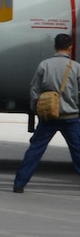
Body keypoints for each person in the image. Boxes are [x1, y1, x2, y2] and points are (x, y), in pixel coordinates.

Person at [13, 34, 80, 193]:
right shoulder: (76, 67)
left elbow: (34, 89)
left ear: (54, 47)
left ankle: (19, 183)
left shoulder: (44, 65)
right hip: (70, 118)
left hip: (48, 117)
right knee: (78, 151)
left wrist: (37, 108)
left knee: (35, 150)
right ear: (70, 47)